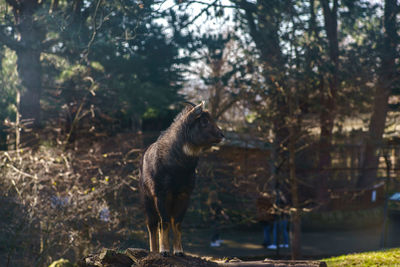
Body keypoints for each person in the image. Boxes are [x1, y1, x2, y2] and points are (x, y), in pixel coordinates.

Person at [268, 185, 290, 249]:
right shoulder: (284, 200)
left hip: (279, 218)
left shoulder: (278, 201)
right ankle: (285, 244)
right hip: (283, 218)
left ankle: (275, 244)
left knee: (276, 231)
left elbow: (277, 209)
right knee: (283, 231)